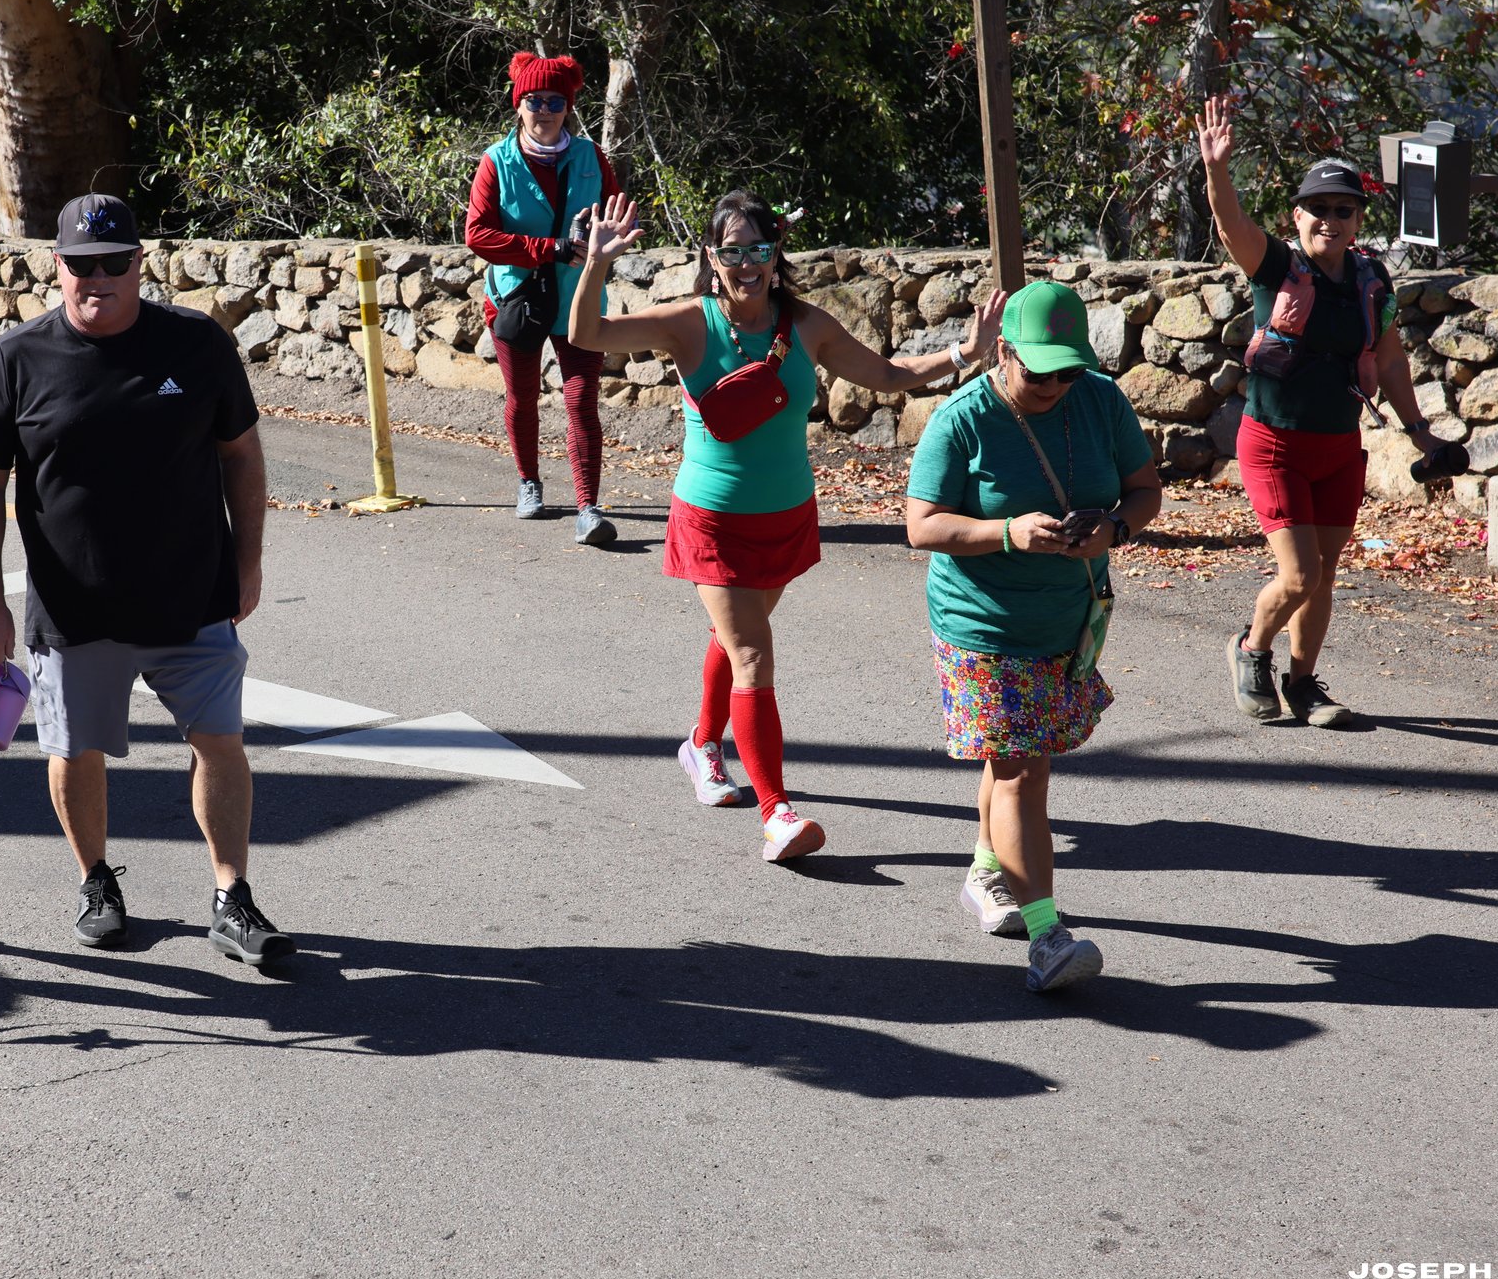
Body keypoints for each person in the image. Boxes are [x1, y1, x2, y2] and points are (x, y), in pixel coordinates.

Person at [570, 188, 969, 863]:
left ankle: (701, 744)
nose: (747, 263)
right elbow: (589, 334)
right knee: (752, 649)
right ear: (712, 256)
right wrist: (598, 264)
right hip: (712, 518)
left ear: (775, 252)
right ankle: (777, 812)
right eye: (732, 250)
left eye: (759, 248)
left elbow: (886, 373)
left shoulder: (806, 323)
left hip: (785, 515)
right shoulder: (688, 324)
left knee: (733, 640)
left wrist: (963, 354)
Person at [0, 194, 288, 966]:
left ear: (142, 263)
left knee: (222, 743)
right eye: (81, 264)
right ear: (58, 267)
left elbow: (241, 453)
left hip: (192, 595)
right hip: (75, 608)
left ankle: (231, 895)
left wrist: (248, 561)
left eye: (115, 262)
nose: (98, 277)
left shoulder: (196, 344)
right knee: (74, 751)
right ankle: (95, 879)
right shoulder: (18, 358)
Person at [904, 280, 1163, 993]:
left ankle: (987, 871)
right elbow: (921, 524)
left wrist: (1115, 528)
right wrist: (1008, 533)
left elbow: (1145, 487)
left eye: (1067, 368)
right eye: (1038, 368)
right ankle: (1048, 937)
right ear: (1005, 351)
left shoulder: (1100, 400)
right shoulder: (963, 418)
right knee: (1021, 768)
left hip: (1069, 618)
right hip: (982, 624)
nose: (1054, 383)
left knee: (1022, 757)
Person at [1197, 96, 1443, 727]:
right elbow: (1231, 229)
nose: (1331, 220)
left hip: (1337, 447)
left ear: (1358, 219)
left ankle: (1304, 685)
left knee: (1325, 573)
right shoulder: (1278, 266)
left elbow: (1388, 361)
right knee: (1300, 573)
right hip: (1274, 443)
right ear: (1297, 215)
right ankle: (1251, 649)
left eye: (1345, 209)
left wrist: (1419, 433)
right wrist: (1217, 170)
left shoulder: (1371, 280)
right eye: (1319, 209)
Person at [464, 51, 623, 544]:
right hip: (518, 297)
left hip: (579, 298)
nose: (546, 110)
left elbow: (618, 216)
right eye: (535, 100)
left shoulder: (591, 158)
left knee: (581, 401)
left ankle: (588, 508)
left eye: (556, 101)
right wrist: (547, 248)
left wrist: (608, 237)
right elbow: (478, 235)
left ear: (569, 107)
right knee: (523, 398)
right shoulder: (496, 162)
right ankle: (529, 481)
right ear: (519, 106)